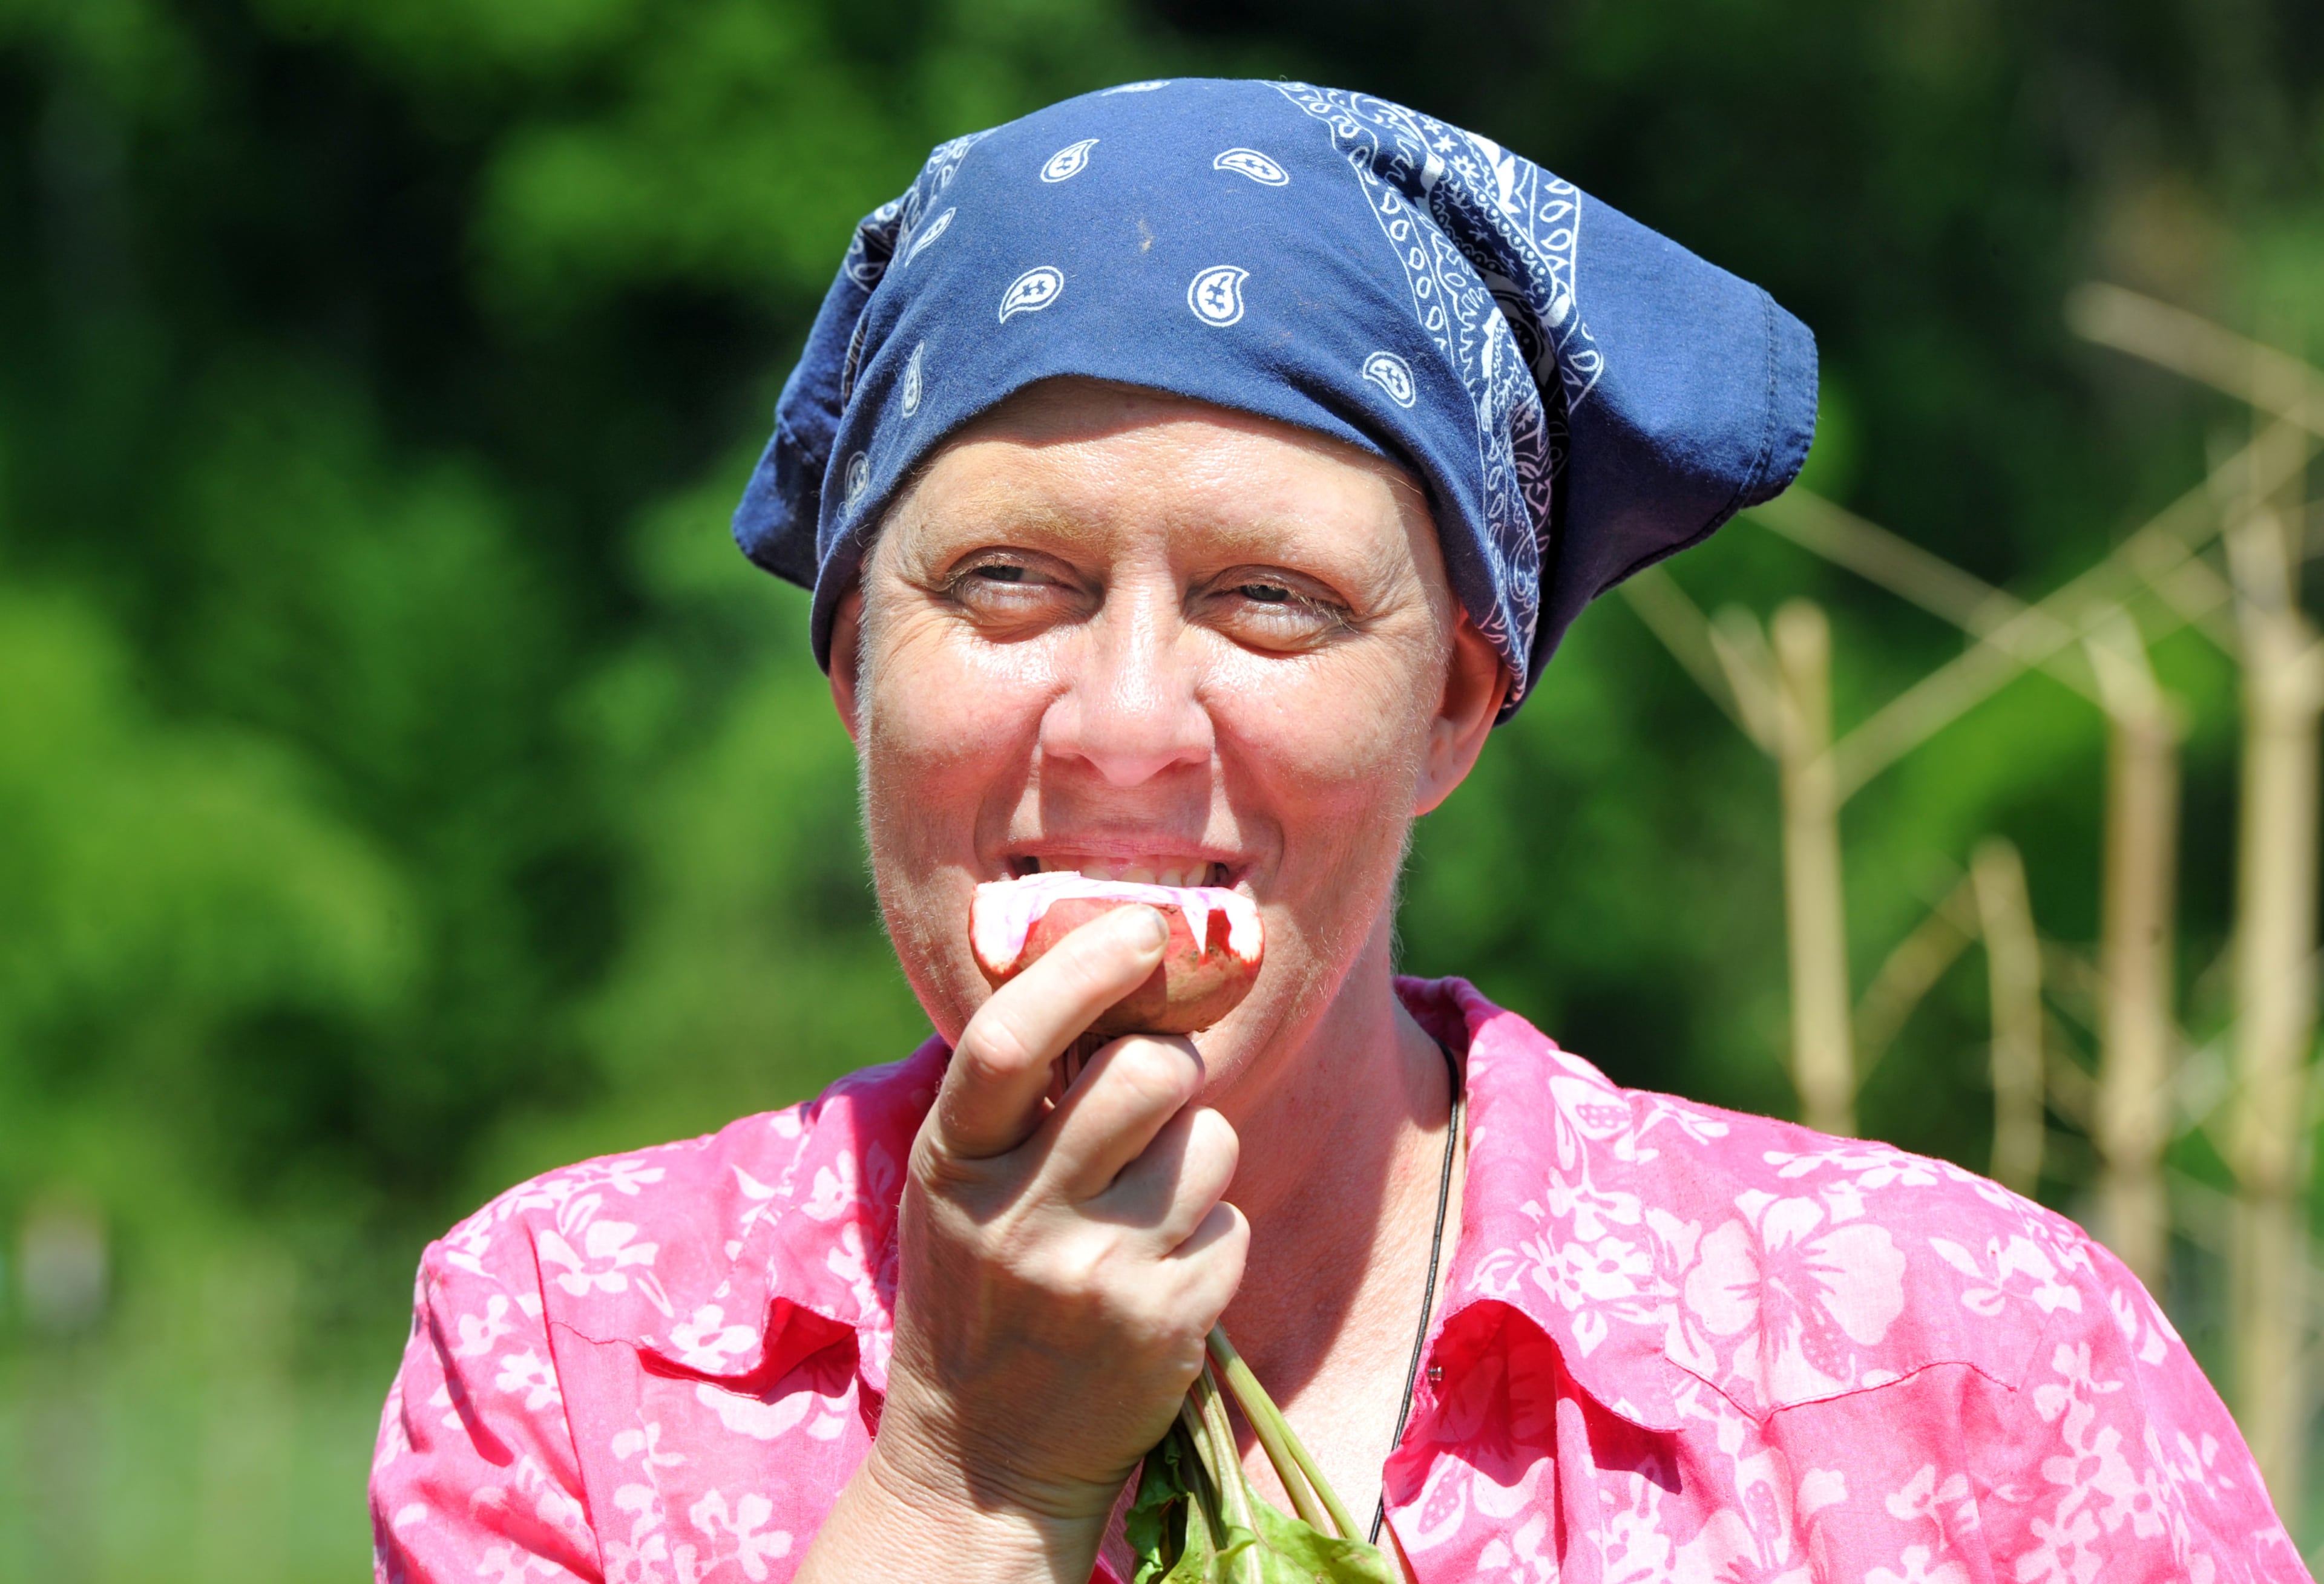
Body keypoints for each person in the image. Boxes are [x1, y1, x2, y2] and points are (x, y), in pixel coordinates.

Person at [371, 80, 2304, 1584]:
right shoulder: (575, 1353)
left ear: (1459, 702)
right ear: (855, 674)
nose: (1126, 726)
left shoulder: (1952, 1368)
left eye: (1270, 601)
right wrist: (968, 1477)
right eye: (1009, 582)